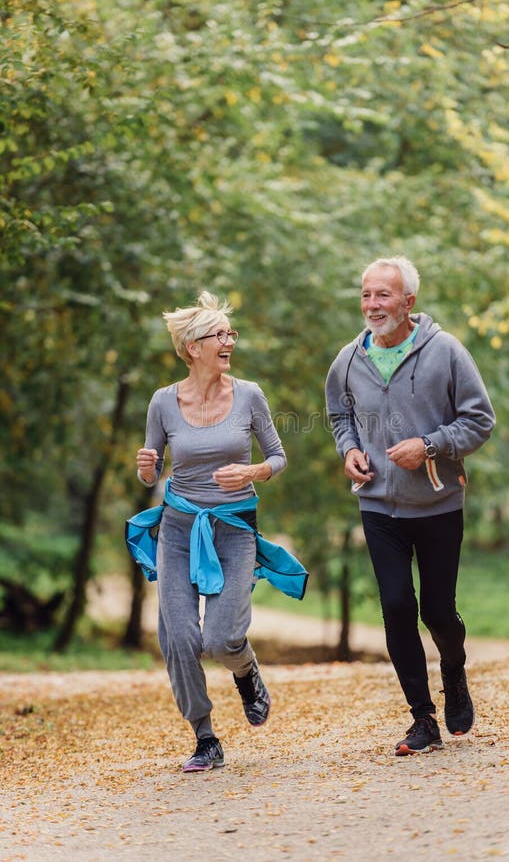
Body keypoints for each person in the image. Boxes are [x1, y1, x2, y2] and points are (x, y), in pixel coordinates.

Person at [325, 256, 495, 756]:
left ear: (408, 302)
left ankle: (454, 672)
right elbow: (339, 415)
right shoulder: (348, 360)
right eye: (366, 295)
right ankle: (423, 720)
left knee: (438, 611)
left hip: (438, 501)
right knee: (397, 606)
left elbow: (479, 420)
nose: (372, 305)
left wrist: (431, 445)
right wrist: (349, 450)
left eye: (383, 295)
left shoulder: (446, 352)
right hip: (378, 506)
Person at [135, 291, 295, 773]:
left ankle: (246, 673)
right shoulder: (163, 401)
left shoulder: (249, 395)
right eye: (219, 335)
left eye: (231, 333)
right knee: (180, 637)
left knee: (222, 638)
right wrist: (146, 469)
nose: (229, 341)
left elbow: (278, 457)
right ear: (192, 348)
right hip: (179, 528)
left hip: (233, 526)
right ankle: (205, 737)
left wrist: (251, 474)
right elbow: (152, 470)